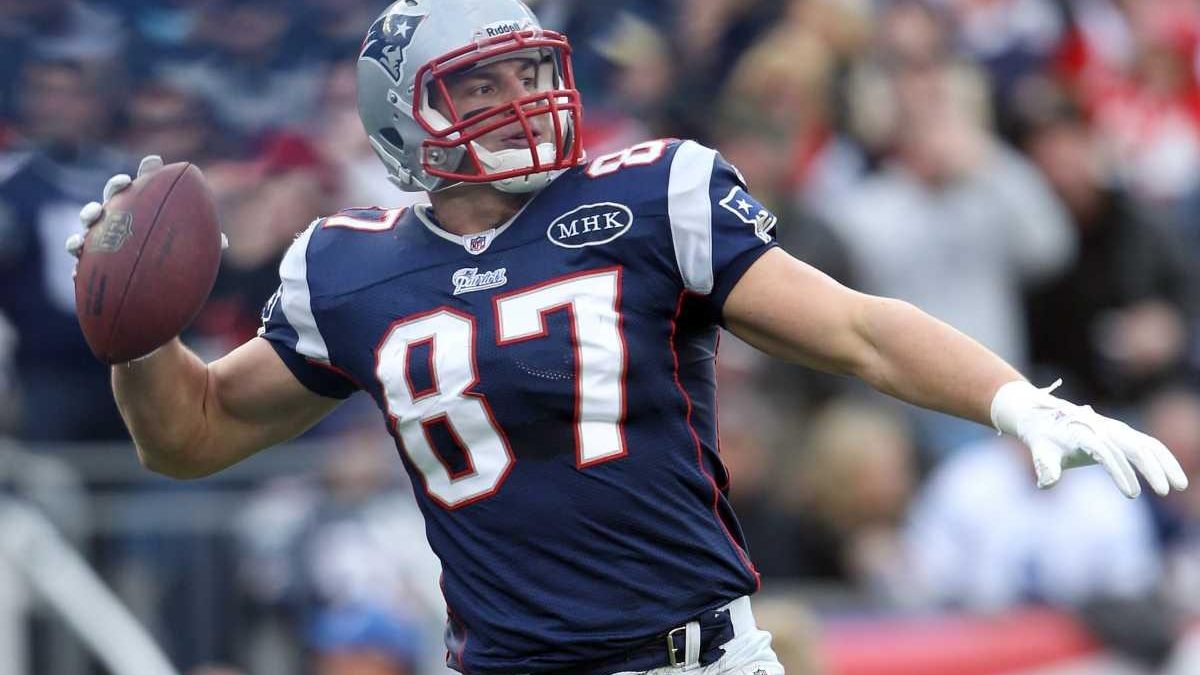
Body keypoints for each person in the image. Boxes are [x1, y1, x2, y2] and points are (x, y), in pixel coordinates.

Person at [65, 1, 1188, 673]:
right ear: (404, 116)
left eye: (531, 71)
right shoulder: (346, 267)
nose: (523, 99)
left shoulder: (653, 195)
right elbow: (191, 439)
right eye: (480, 83)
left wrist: (1015, 400)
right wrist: (136, 329)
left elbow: (854, 330)